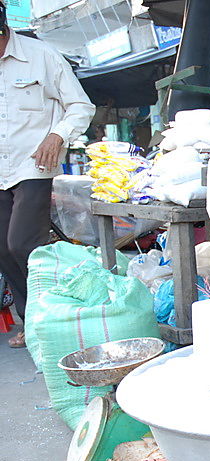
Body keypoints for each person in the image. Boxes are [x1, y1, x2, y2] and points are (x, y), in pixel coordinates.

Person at [0, 2, 96, 347]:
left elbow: (81, 106)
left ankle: (56, 314)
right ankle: (33, 322)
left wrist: (57, 135)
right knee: (3, 249)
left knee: (24, 243)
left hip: (33, 165)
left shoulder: (40, 55)